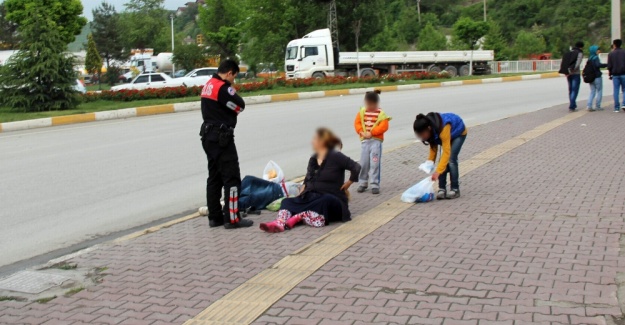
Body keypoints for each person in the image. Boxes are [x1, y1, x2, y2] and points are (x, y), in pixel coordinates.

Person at [259, 128, 361, 233]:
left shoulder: (336, 156)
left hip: (333, 199)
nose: (313, 142)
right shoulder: (313, 159)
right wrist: (300, 196)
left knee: (325, 200)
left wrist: (349, 182)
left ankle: (299, 217)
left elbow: (356, 167)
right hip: (312, 196)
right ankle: (279, 223)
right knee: (287, 202)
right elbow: (307, 180)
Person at [200, 59, 253, 229]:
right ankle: (232, 218)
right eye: (234, 77)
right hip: (222, 138)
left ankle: (215, 217)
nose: (233, 81)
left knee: (214, 177)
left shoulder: (208, 84)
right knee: (231, 177)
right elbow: (240, 105)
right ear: (229, 72)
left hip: (208, 136)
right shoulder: (222, 88)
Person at [413, 112, 467, 200]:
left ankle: (455, 189)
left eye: (422, 135)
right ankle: (442, 189)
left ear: (429, 129)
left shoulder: (442, 128)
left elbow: (446, 152)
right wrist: (429, 163)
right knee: (442, 162)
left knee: (451, 160)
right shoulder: (431, 130)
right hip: (447, 137)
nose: (422, 137)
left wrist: (438, 172)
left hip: (458, 133)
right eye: (419, 136)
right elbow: (433, 149)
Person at [353, 90, 391, 195]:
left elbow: (384, 126)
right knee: (364, 163)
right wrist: (361, 132)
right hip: (365, 141)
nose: (370, 106)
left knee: (374, 163)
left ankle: (374, 184)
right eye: (368, 104)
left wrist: (372, 133)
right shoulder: (362, 112)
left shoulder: (381, 114)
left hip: (376, 142)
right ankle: (363, 182)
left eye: (372, 104)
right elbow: (357, 123)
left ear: (376, 103)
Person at [586, 45, 608, 111]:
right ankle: (598, 106)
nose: (599, 51)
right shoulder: (596, 58)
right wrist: (606, 65)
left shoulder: (589, 59)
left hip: (590, 77)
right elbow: (598, 65)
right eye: (598, 49)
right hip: (597, 76)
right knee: (599, 90)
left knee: (592, 91)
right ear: (594, 51)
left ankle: (589, 105)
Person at [564, 41, 584, 112]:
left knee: (570, 89)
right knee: (574, 90)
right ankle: (572, 106)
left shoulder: (570, 52)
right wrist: (572, 70)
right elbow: (577, 63)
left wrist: (567, 72)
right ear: (581, 47)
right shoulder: (580, 53)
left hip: (568, 74)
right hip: (575, 74)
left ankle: (573, 104)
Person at [608, 39, 625, 112]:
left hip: (615, 74)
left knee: (616, 90)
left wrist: (610, 74)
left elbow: (609, 66)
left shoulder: (611, 54)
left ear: (614, 44)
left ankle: (616, 107)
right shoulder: (624, 52)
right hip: (624, 73)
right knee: (624, 90)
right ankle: (624, 104)